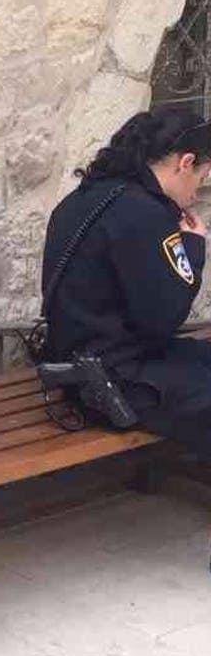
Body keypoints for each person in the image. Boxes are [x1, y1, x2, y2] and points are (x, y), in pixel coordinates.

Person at [42, 108, 211, 458]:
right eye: (202, 177)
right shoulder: (146, 213)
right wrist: (193, 247)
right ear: (185, 163)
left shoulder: (84, 198)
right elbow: (163, 317)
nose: (196, 193)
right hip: (116, 384)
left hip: (87, 369)